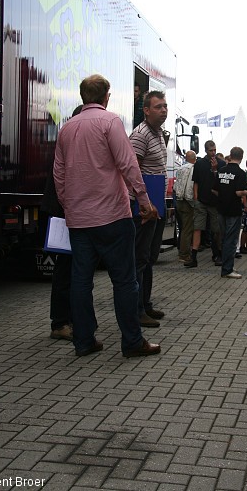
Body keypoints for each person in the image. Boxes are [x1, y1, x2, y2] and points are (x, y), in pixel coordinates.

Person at [53, 74, 160, 358]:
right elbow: (127, 164)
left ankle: (84, 341)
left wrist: (68, 205)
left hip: (79, 219)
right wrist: (144, 201)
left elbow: (59, 173)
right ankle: (132, 342)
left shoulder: (67, 128)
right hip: (113, 215)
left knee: (81, 281)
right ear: (106, 96)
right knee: (125, 280)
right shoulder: (110, 122)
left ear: (82, 96)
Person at [41, 104, 83, 342]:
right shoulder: (71, 144)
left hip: (66, 212)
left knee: (71, 268)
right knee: (65, 269)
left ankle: (69, 319)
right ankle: (59, 323)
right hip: (63, 214)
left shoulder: (69, 141)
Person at [130, 90, 168, 328]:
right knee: (140, 259)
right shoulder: (140, 134)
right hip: (144, 207)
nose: (163, 110)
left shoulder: (159, 134)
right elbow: (132, 172)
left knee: (150, 257)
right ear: (146, 110)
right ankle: (137, 310)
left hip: (157, 205)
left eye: (165, 106)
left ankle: (146, 303)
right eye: (158, 107)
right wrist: (145, 203)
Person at [213, 147, 247, 279]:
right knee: (231, 240)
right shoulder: (240, 173)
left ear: (231, 155)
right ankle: (227, 269)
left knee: (223, 237)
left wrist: (223, 196)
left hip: (221, 208)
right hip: (233, 209)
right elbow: (238, 192)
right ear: (242, 157)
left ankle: (228, 265)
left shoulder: (221, 171)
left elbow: (214, 190)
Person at [184, 140, 225, 268]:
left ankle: (217, 254)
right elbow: (195, 182)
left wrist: (215, 170)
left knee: (216, 230)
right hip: (201, 201)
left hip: (214, 202)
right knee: (198, 228)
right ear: (206, 150)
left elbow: (221, 183)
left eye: (214, 150)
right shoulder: (200, 164)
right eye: (211, 150)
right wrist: (196, 198)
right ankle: (194, 257)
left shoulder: (222, 164)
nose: (213, 153)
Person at [173, 150, 197, 262]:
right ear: (194, 158)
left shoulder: (180, 168)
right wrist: (192, 201)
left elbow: (176, 185)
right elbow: (190, 186)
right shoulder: (193, 169)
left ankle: (181, 251)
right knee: (187, 229)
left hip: (179, 200)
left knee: (182, 228)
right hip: (187, 202)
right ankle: (184, 254)